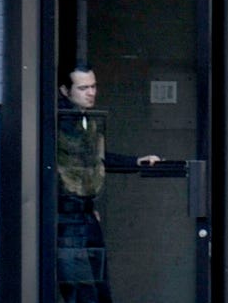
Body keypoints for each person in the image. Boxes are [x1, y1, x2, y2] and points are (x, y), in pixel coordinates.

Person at [54, 66, 161, 303]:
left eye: (93, 86)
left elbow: (94, 158)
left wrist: (134, 162)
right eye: (83, 88)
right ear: (65, 90)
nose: (91, 93)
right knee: (81, 291)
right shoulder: (58, 122)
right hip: (67, 216)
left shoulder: (86, 119)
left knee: (98, 288)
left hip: (84, 213)